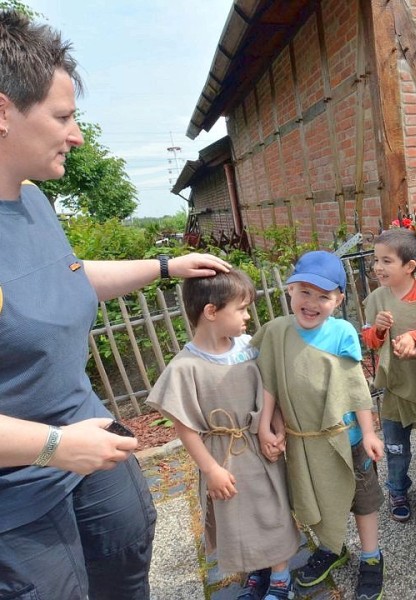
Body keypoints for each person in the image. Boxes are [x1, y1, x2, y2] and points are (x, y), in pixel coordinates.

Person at [0, 12, 231, 599]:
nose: (76, 134)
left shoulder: (33, 201)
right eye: (62, 116)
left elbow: (68, 278)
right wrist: (54, 446)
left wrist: (165, 266)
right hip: (19, 487)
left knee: (126, 557)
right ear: (3, 112)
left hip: (84, 431)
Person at [146, 270, 300, 600]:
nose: (248, 316)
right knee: (238, 518)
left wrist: (277, 430)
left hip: (259, 447)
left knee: (271, 510)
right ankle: (256, 568)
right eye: (241, 309)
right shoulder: (185, 366)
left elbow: (270, 392)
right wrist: (211, 469)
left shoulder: (250, 348)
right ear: (211, 312)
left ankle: (281, 577)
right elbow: (185, 428)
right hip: (222, 456)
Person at [252, 251, 386, 600]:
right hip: (302, 440)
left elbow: (356, 388)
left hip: (347, 439)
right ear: (290, 291)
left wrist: (369, 432)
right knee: (317, 498)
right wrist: (266, 425)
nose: (312, 303)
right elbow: (267, 382)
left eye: (323, 296)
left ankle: (371, 557)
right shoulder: (276, 332)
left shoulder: (342, 332)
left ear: (338, 299)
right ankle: (331, 546)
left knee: (362, 498)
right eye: (304, 292)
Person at [362, 229, 416, 521]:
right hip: (394, 388)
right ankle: (397, 489)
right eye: (376, 260)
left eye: (386, 261)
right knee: (395, 446)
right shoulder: (376, 299)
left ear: (409, 266)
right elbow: (369, 342)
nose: (378, 267)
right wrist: (377, 330)